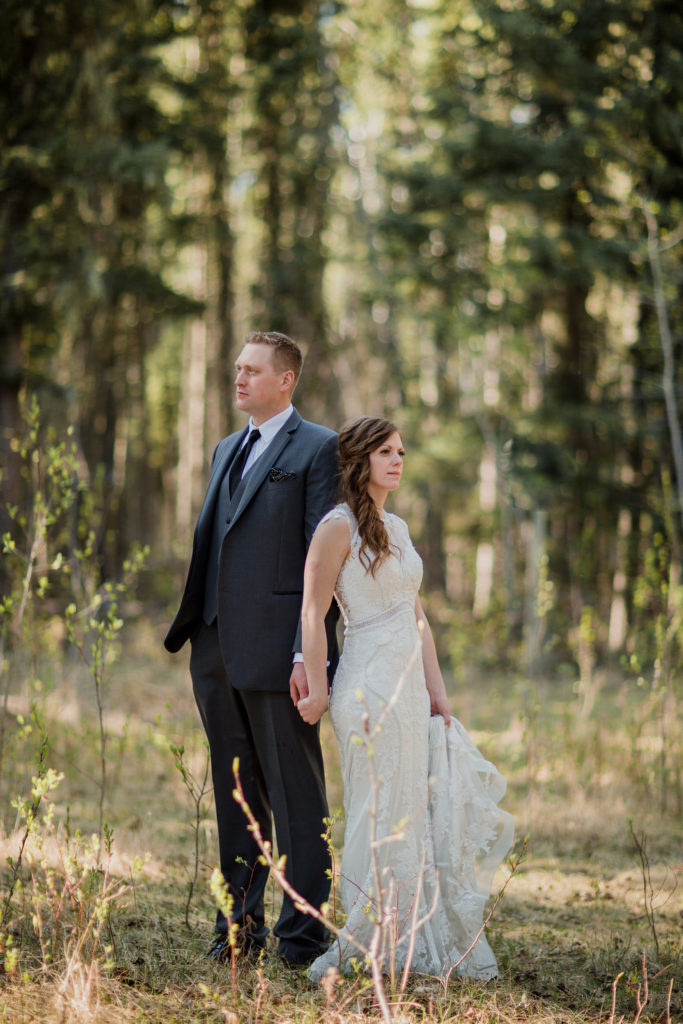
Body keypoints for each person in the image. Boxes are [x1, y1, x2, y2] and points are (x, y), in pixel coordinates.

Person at [298, 416, 514, 982]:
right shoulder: (336, 527)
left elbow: (419, 621)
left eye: (401, 451)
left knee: (410, 811)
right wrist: (318, 690)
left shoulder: (398, 525)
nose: (397, 460)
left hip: (410, 691)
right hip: (367, 687)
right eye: (386, 451)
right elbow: (312, 614)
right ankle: (369, 937)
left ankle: (412, 934)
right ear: (360, 459)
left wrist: (437, 695)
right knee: (376, 810)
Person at [164, 331, 339, 966]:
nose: (238, 378)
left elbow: (324, 565)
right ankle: (237, 930)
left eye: (252, 370)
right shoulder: (224, 449)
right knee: (235, 793)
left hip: (280, 655)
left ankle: (303, 937)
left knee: (297, 797)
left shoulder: (319, 448)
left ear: (285, 379)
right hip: (215, 650)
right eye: (236, 368)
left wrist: (305, 654)